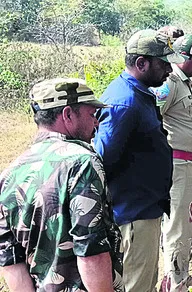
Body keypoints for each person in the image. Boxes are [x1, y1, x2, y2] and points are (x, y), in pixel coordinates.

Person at [0, 78, 123, 291]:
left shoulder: (9, 174)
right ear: (67, 115)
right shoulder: (83, 162)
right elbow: (91, 252)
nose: (97, 123)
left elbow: (11, 261)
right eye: (92, 115)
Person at [94, 29, 185, 292]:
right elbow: (101, 161)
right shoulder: (125, 102)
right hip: (132, 214)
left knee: (144, 281)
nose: (169, 68)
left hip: (144, 208)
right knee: (136, 285)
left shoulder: (138, 93)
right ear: (142, 63)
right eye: (163, 62)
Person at [152, 34, 192, 292]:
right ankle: (176, 283)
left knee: (184, 223)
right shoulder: (171, 83)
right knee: (178, 227)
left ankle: (180, 275)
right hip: (179, 165)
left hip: (190, 165)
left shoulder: (185, 82)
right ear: (183, 58)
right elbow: (153, 117)